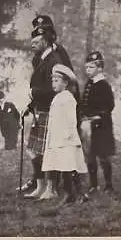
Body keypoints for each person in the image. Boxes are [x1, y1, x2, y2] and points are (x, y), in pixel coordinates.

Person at [18, 15, 76, 193]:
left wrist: (35, 93)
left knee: (49, 150)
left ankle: (52, 186)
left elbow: (62, 84)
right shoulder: (40, 59)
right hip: (41, 108)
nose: (33, 43)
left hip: (54, 108)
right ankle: (40, 184)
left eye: (38, 39)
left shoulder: (56, 58)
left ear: (48, 38)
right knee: (38, 150)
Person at [40, 64, 89, 204]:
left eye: (57, 81)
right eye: (52, 81)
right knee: (63, 166)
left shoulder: (68, 98)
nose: (53, 84)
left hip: (66, 139)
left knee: (69, 166)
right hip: (57, 139)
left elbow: (71, 119)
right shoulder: (58, 98)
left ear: (65, 83)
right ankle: (72, 194)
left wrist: (68, 135)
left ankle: (76, 193)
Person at [80, 51, 116, 195]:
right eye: (87, 67)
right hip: (88, 125)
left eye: (91, 67)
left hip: (102, 125)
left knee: (103, 155)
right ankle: (94, 184)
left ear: (100, 68)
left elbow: (109, 105)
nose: (87, 70)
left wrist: (98, 116)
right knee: (90, 155)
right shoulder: (89, 84)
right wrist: (83, 115)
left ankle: (108, 184)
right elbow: (84, 102)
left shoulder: (104, 85)